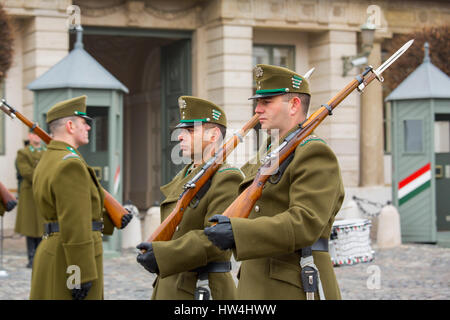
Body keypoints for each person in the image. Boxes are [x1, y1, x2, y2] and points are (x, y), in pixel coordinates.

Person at [204, 64, 345, 300]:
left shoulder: (313, 152)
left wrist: (238, 232)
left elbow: (305, 222)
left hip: (293, 285)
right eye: (258, 102)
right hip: (256, 283)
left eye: (267, 102)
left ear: (294, 105)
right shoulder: (268, 153)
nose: (257, 109)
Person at [136, 96, 242, 300]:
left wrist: (163, 254)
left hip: (202, 288)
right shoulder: (185, 175)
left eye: (190, 131)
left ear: (213, 135)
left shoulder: (226, 177)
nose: (180, 137)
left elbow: (217, 239)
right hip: (171, 285)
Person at [30, 95, 132, 300]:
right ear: (70, 125)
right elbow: (74, 223)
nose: (88, 128)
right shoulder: (71, 164)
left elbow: (77, 210)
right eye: (84, 123)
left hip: (56, 251)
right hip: (69, 260)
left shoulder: (51, 158)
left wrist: (110, 219)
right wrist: (79, 273)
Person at [14, 130, 46, 268]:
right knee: (30, 227)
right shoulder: (23, 153)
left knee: (41, 227)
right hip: (29, 194)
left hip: (43, 193)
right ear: (30, 136)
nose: (37, 137)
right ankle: (32, 257)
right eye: (34, 134)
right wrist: (42, 173)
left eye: (39, 135)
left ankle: (40, 257)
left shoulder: (47, 152)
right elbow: (26, 172)